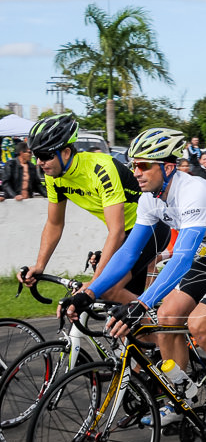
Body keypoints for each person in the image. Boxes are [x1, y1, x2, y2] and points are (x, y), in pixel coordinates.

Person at [61, 127, 206, 441]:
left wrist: (141, 302)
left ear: (169, 166)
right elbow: (129, 252)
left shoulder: (193, 191)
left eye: (144, 165)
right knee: (167, 316)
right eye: (134, 165)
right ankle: (182, 392)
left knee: (200, 325)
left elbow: (184, 257)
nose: (137, 172)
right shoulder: (150, 199)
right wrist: (89, 292)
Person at [18, 114, 171, 303]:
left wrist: (94, 282)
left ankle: (162, 324)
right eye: (36, 156)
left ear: (66, 153)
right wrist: (40, 265)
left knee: (106, 290)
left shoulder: (101, 168)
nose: (39, 162)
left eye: (45, 156)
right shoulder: (53, 176)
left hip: (150, 230)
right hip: (126, 234)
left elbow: (116, 231)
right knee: (119, 310)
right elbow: (54, 224)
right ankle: (151, 323)